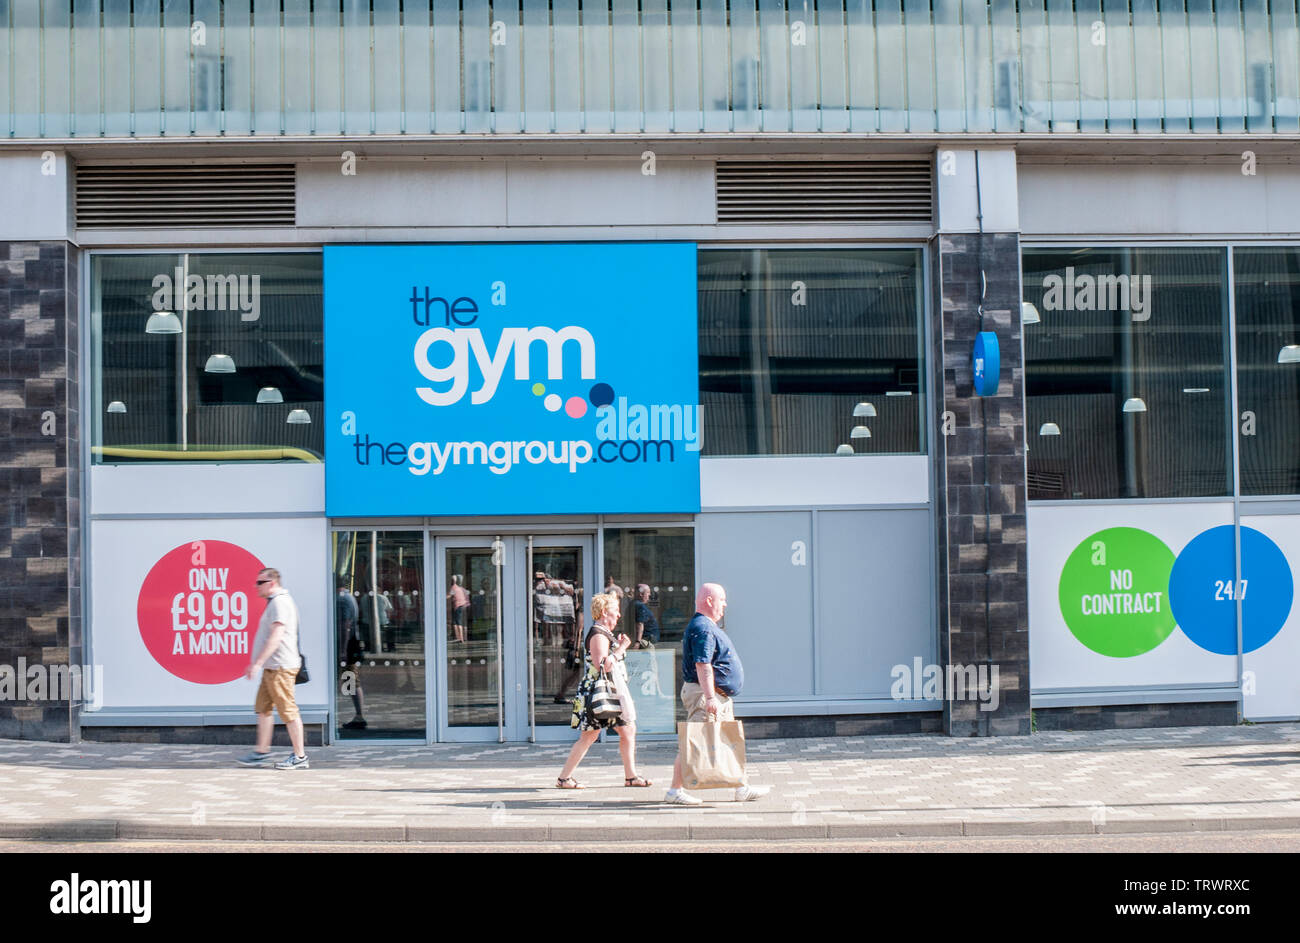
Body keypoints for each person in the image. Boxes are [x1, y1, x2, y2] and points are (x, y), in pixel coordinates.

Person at [665, 582, 769, 804]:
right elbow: (703, 664)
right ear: (710, 601)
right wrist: (710, 696)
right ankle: (674, 791)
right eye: (722, 599)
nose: (725, 604)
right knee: (693, 741)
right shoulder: (703, 627)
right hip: (707, 695)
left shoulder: (706, 625)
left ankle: (741, 787)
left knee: (727, 741)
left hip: (715, 695)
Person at [555, 592, 650, 789]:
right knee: (590, 735)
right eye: (615, 611)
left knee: (627, 730)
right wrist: (621, 647)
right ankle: (564, 778)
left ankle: (631, 776)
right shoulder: (598, 634)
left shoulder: (603, 633)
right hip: (600, 694)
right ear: (604, 612)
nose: (619, 615)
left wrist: (618, 646)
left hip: (610, 693)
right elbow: (602, 666)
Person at [238, 567, 308, 770]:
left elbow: (276, 636)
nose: (256, 586)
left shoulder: (279, 603)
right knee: (263, 708)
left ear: (272, 583)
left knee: (288, 711)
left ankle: (300, 756)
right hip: (272, 668)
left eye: (260, 582)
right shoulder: (275, 603)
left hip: (280, 667)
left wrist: (258, 663)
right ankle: (261, 751)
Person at [336, 578, 366, 730]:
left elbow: (345, 625)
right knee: (350, 680)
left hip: (347, 647)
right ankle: (357, 715)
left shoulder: (342, 599)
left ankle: (359, 716)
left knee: (351, 680)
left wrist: (342, 649)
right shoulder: (350, 597)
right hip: (351, 645)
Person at [633, 583, 659, 648]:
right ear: (641, 594)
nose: (649, 595)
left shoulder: (637, 604)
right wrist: (638, 642)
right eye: (648, 592)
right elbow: (640, 624)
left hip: (648, 640)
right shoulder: (640, 605)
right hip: (646, 641)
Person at [447, 574, 470, 643]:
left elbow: (449, 596)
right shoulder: (462, 589)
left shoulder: (454, 587)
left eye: (452, 580)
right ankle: (465, 637)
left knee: (458, 622)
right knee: (463, 622)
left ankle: (460, 638)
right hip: (466, 606)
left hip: (459, 606)